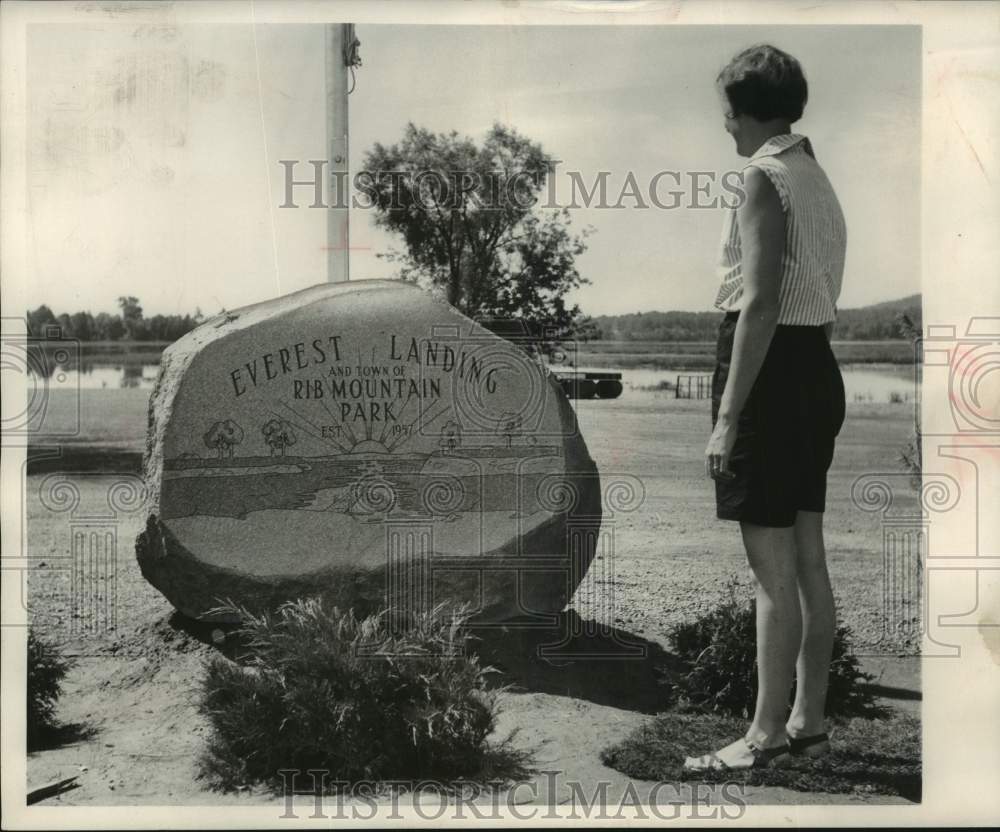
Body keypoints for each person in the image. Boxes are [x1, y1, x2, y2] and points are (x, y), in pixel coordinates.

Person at [684, 44, 847, 772]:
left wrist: (725, 415)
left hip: (772, 373)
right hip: (817, 368)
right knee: (807, 557)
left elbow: (758, 303)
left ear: (747, 110)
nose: (725, 126)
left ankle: (764, 734)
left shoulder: (763, 175)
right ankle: (808, 717)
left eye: (727, 111)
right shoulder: (815, 174)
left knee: (771, 570)